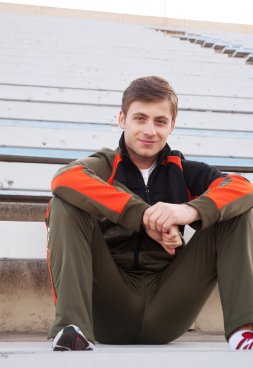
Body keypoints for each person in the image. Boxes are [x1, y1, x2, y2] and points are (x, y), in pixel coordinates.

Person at [46, 76, 253, 351]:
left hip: (169, 306)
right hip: (107, 308)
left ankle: (244, 333)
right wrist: (144, 216)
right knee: (63, 203)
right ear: (123, 119)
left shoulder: (184, 170)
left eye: (159, 121)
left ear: (172, 125)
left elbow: (242, 188)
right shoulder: (105, 165)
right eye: (140, 118)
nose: (149, 130)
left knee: (236, 210)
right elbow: (65, 178)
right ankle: (71, 329)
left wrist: (187, 211)